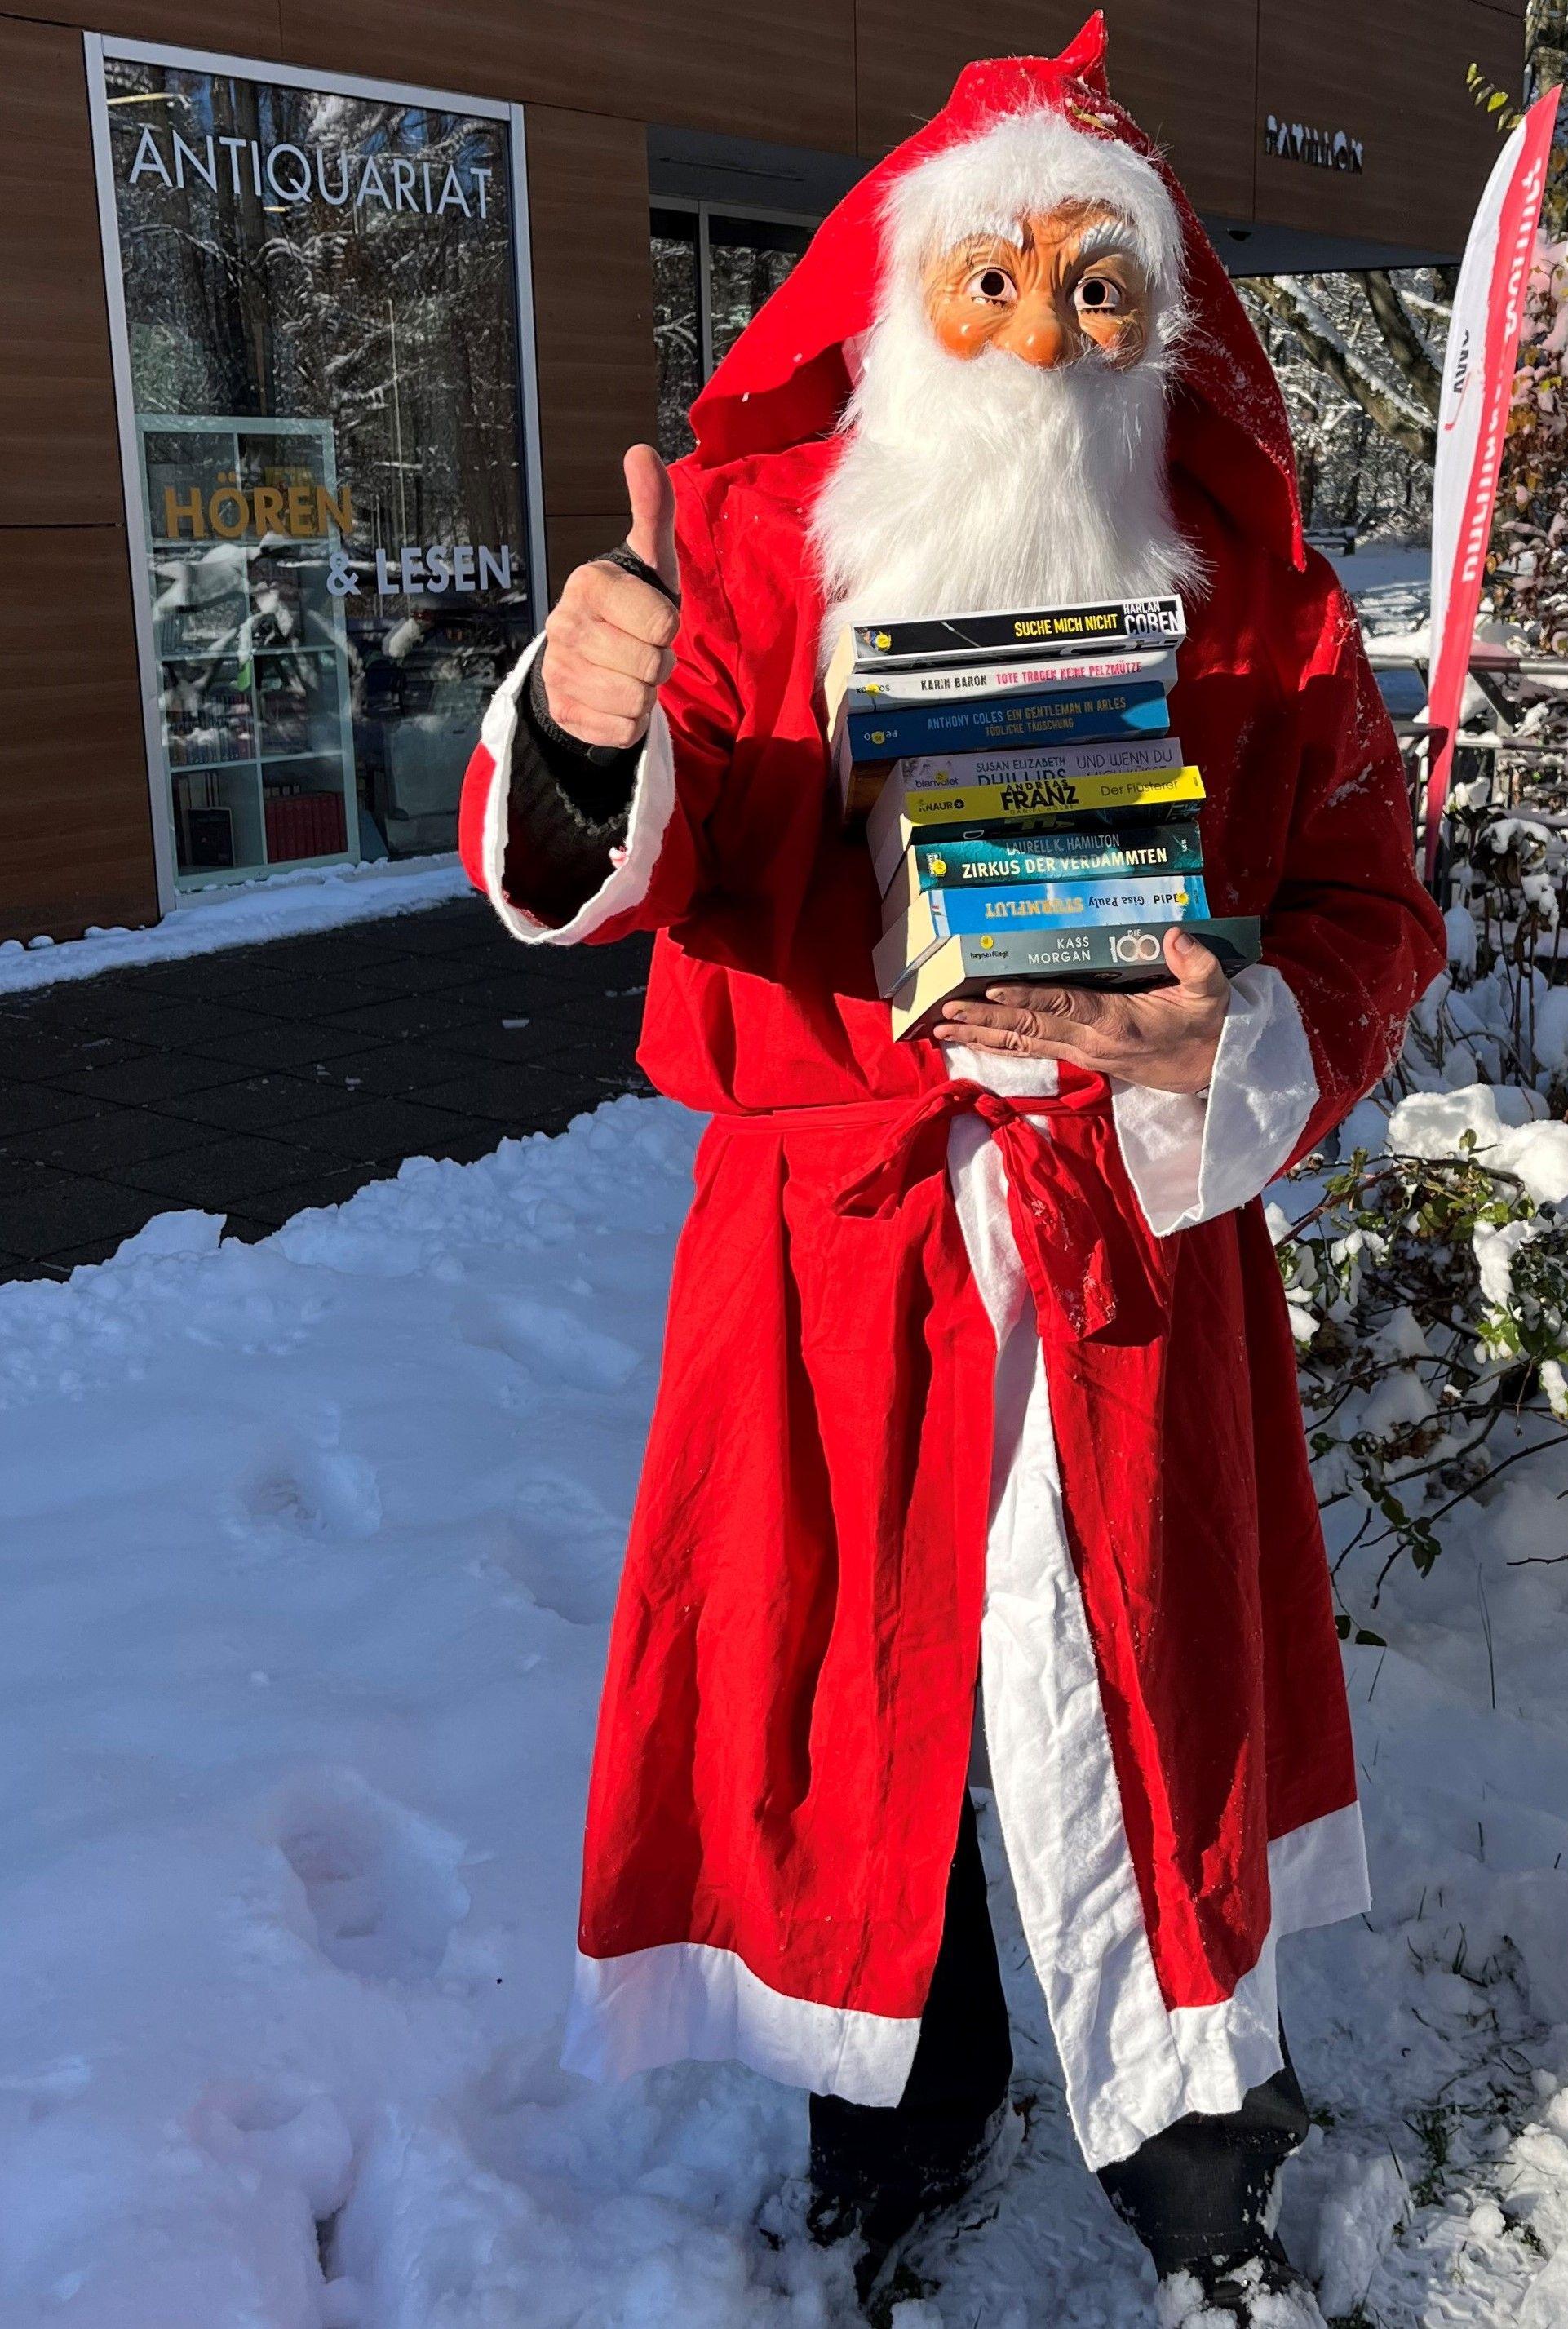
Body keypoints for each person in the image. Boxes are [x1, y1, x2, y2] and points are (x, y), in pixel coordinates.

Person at [459, 18, 1444, 2323]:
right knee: (858, 1692)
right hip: (839, 1249)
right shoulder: (746, 550)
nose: (1042, 336)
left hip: (1134, 1244)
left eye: (1098, 287)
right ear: (903, 291)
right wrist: (589, 722)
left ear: (1161, 316)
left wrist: (1242, 1028)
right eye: (990, 280)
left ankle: (1202, 2146)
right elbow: (618, 859)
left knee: (1145, 1684)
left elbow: (1371, 908)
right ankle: (896, 2110)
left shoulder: (1258, 593)